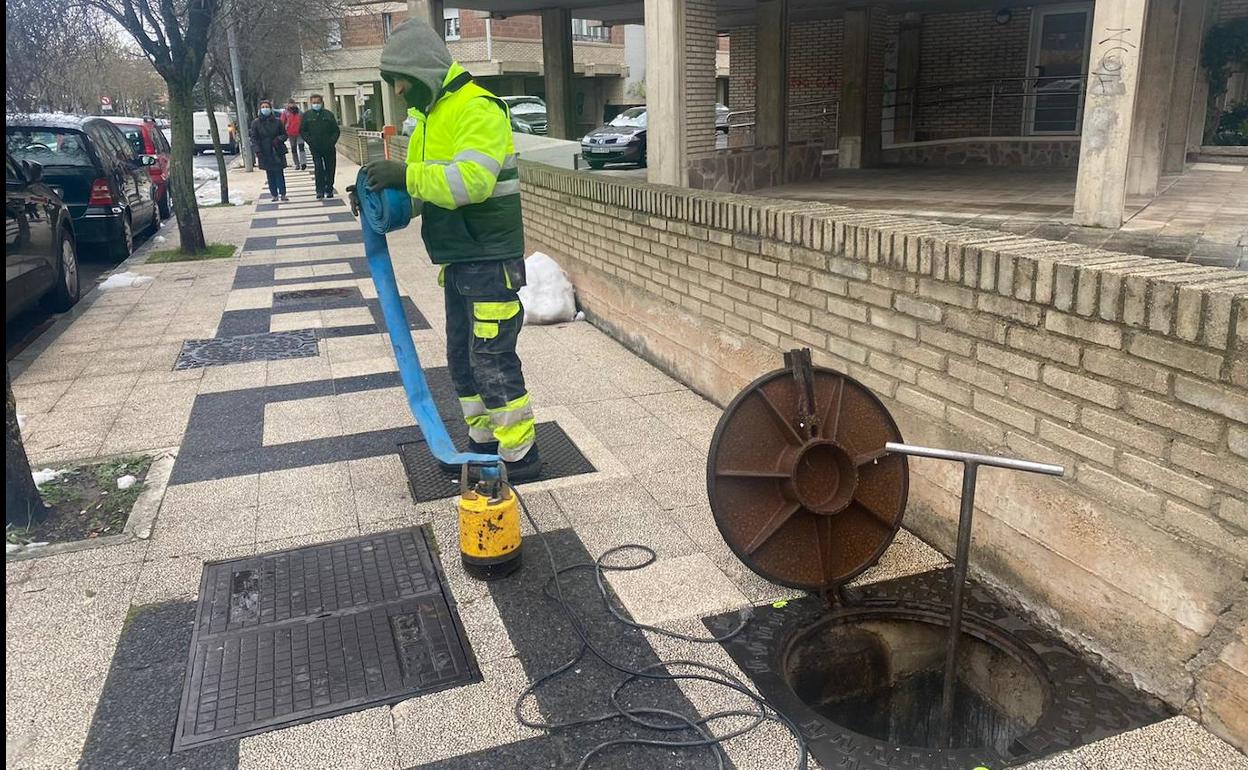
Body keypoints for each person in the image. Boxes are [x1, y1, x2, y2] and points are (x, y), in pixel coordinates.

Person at [362, 20, 540, 480]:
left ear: (423, 71)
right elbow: (431, 189)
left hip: (489, 258)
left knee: (492, 358)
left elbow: (472, 182)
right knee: (462, 359)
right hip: (460, 259)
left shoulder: (476, 109)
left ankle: (521, 455)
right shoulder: (432, 117)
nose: (398, 90)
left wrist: (405, 176)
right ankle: (481, 444)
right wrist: (383, 198)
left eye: (400, 79)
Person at [300, 93, 340, 199]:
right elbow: (303, 131)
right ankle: (319, 190)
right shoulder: (307, 116)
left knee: (330, 169)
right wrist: (310, 141)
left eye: (318, 102)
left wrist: (332, 141)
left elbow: (336, 131)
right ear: (311, 103)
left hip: (329, 147)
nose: (316, 104)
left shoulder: (328, 115)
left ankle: (329, 189)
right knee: (318, 168)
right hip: (315, 147)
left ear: (322, 103)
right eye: (314, 103)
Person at [249, 100, 288, 201]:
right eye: (263, 107)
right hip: (264, 151)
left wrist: (278, 139)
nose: (265, 109)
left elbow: (284, 134)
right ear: (260, 109)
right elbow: (254, 138)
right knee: (270, 174)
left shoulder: (278, 121)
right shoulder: (256, 123)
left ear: (270, 109)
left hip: (277, 150)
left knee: (279, 172)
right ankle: (274, 194)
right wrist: (257, 150)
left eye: (267, 107)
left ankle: (283, 193)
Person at [281, 101, 306, 170]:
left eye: (293, 103)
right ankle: (297, 164)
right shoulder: (285, 113)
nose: (292, 105)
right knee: (293, 149)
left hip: (299, 133)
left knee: (301, 147)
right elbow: (282, 122)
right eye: (290, 104)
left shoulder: (300, 112)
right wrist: (283, 131)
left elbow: (304, 121)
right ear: (288, 104)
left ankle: (303, 162)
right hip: (290, 133)